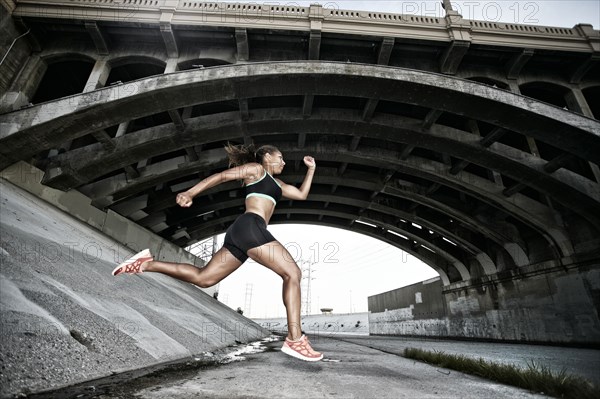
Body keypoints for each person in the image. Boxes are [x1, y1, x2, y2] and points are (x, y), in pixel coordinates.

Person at [112, 143, 323, 362]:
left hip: (241, 234)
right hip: (250, 226)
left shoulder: (278, 184)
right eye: (281, 157)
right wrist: (191, 192)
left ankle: (146, 263)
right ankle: (295, 338)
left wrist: (311, 169)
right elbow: (222, 176)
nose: (284, 162)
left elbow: (301, 194)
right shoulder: (256, 170)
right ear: (267, 156)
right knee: (293, 274)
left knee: (204, 278)